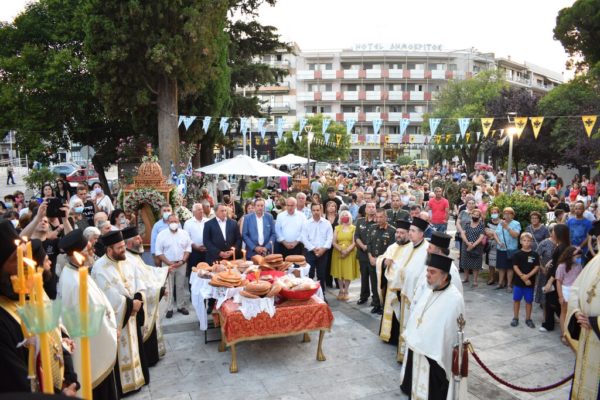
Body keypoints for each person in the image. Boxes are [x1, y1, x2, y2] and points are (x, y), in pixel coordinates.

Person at [57, 229, 119, 400]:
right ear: (77, 254)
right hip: (93, 347)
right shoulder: (73, 281)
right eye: (89, 249)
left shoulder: (77, 271)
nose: (93, 252)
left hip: (100, 337)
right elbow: (89, 317)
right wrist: (111, 331)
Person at [400, 253, 466, 400]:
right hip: (418, 350)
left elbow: (450, 334)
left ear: (444, 276)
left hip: (435, 360)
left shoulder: (454, 299)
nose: (427, 275)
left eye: (432, 272)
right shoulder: (429, 290)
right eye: (427, 271)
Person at [91, 230, 147, 396]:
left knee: (134, 346)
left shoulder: (127, 259)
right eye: (120, 248)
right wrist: (130, 305)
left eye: (123, 246)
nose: (124, 250)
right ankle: (124, 387)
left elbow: (139, 280)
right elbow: (107, 296)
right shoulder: (99, 268)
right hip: (117, 320)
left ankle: (138, 379)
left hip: (132, 314)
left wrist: (138, 298)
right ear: (109, 250)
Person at [122, 226, 169, 366]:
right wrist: (159, 290)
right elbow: (140, 283)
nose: (141, 240)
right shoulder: (127, 259)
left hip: (147, 297)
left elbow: (147, 272)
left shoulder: (134, 255)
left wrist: (164, 271)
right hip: (140, 301)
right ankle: (149, 359)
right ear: (129, 242)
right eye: (137, 238)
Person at [564, 253, 600, 400]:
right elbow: (576, 288)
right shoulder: (596, 259)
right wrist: (577, 311)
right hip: (586, 333)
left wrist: (595, 322)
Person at [375, 219, 411, 346]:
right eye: (397, 232)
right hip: (391, 287)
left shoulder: (411, 249)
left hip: (402, 288)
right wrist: (384, 262)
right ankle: (388, 336)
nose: (398, 235)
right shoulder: (392, 247)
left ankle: (399, 338)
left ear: (408, 234)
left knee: (401, 313)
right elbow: (381, 259)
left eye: (402, 233)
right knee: (389, 310)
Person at [155, 214, 191, 319]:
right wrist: (169, 263)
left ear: (179, 222)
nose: (174, 223)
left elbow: (188, 248)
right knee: (168, 287)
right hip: (167, 264)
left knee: (180, 286)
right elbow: (158, 251)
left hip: (181, 264)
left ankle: (180, 306)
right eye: (171, 222)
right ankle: (169, 308)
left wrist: (183, 261)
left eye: (176, 221)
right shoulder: (161, 235)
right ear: (167, 222)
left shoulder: (184, 234)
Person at [366, 209, 397, 315]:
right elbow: (368, 244)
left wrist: (381, 260)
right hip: (372, 261)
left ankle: (384, 305)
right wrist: (370, 257)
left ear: (386, 218)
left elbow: (392, 249)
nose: (378, 219)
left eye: (381, 217)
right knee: (374, 284)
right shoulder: (372, 228)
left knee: (383, 285)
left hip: (384, 263)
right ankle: (376, 304)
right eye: (377, 217)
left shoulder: (392, 231)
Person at [301, 203, 333, 300]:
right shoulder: (306, 223)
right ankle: (309, 296)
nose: (316, 212)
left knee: (321, 275)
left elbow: (330, 238)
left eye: (318, 210)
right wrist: (313, 248)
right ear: (311, 211)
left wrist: (323, 249)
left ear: (321, 210)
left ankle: (322, 296)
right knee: (309, 274)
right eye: (314, 210)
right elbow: (304, 238)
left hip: (323, 252)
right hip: (310, 252)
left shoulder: (327, 223)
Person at [510, 232, 540, 328]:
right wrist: (523, 276)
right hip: (518, 282)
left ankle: (528, 319)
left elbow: (536, 267)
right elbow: (515, 266)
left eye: (528, 241)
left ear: (531, 242)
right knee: (516, 300)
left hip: (530, 283)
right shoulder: (517, 254)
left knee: (529, 301)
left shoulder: (535, 254)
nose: (526, 242)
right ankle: (515, 318)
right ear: (520, 241)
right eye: (524, 240)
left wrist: (528, 276)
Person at [555, 246, 583, 344]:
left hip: (576, 291)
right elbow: (558, 281)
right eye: (577, 256)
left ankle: (572, 333)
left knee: (574, 313)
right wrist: (560, 296)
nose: (578, 258)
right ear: (570, 255)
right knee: (564, 312)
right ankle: (564, 334)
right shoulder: (562, 266)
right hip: (566, 290)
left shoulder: (578, 265)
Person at [330, 210, 359, 301]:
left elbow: (354, 242)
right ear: (340, 217)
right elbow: (334, 242)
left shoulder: (353, 228)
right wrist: (341, 250)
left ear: (350, 217)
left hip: (350, 252)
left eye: (346, 215)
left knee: (347, 272)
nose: (345, 216)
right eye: (343, 215)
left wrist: (347, 251)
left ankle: (346, 291)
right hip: (338, 252)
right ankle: (341, 290)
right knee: (339, 272)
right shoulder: (337, 228)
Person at [493, 207, 521, 292]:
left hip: (511, 249)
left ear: (513, 215)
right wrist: (498, 242)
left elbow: (515, 235)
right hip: (501, 248)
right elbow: (495, 234)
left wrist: (507, 227)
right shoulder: (501, 223)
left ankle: (509, 285)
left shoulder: (516, 223)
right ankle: (500, 283)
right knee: (501, 267)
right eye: (505, 213)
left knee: (510, 268)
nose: (507, 215)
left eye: (509, 213)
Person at [355, 200, 377, 306]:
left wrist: (368, 248)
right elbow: (356, 236)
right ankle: (363, 296)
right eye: (369, 207)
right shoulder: (360, 221)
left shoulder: (378, 222)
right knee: (364, 277)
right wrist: (362, 246)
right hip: (362, 254)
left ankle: (375, 298)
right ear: (365, 209)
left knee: (374, 278)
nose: (371, 209)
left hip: (374, 255)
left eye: (373, 207)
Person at [459, 208, 485, 287]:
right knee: (465, 262)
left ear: (479, 217)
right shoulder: (467, 223)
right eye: (474, 214)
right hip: (466, 245)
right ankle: (466, 278)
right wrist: (467, 242)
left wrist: (473, 245)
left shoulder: (481, 225)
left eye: (477, 215)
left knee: (475, 264)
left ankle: (475, 281)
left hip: (477, 246)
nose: (475, 216)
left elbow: (481, 236)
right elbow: (463, 233)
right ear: (471, 215)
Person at [184, 203, 209, 274]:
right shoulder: (188, 223)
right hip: (194, 252)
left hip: (207, 251)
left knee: (206, 271)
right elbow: (186, 237)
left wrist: (208, 245)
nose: (201, 211)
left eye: (202, 209)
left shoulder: (208, 221)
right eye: (199, 210)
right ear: (194, 212)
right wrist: (195, 246)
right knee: (194, 272)